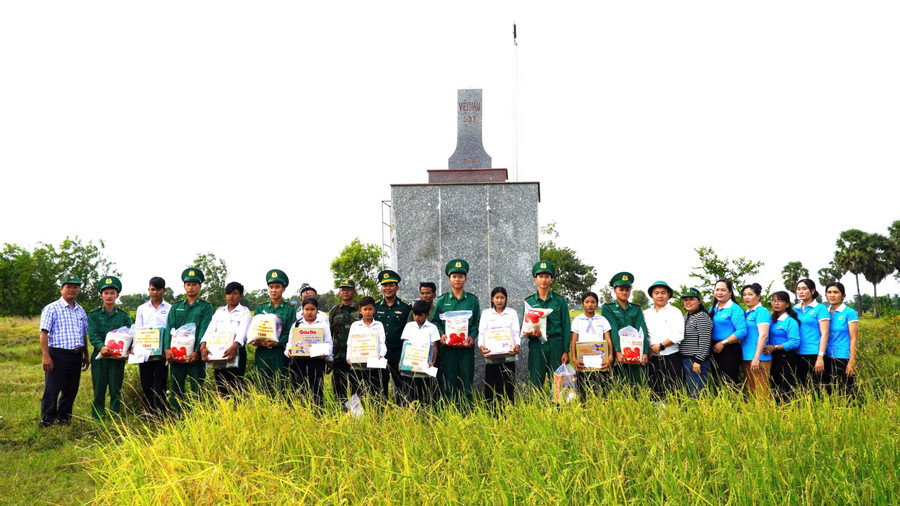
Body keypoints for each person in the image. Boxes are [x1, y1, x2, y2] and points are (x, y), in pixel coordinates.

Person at [39, 274, 90, 427]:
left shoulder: (81, 311)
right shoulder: (51, 308)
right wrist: (46, 356)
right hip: (57, 354)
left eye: (75, 287)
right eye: (68, 286)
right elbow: (43, 333)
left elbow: (83, 335)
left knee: (71, 389)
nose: (72, 290)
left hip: (76, 354)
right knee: (52, 390)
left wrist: (86, 355)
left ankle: (64, 419)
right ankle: (47, 420)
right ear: (61, 289)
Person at [431, 259, 481, 407]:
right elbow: (435, 322)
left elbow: (477, 322)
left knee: (466, 381)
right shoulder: (442, 301)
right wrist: (441, 334)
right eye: (454, 276)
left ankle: (467, 413)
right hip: (448, 349)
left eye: (460, 276)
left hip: (466, 348)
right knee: (450, 382)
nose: (457, 279)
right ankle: (451, 414)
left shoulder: (472, 300)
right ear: (449, 279)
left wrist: (472, 337)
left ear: (465, 279)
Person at [164, 268, 213, 416]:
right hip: (177, 356)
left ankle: (195, 417)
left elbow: (205, 330)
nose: (191, 287)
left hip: (195, 357)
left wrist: (197, 351)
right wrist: (167, 349)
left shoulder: (205, 307)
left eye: (194, 284)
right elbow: (169, 328)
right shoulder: (176, 307)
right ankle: (177, 417)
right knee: (176, 387)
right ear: (184, 286)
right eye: (188, 284)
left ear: (200, 287)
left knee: (197, 388)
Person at [87, 276, 132, 419]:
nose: (109, 296)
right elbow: (92, 334)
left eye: (112, 293)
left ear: (117, 295)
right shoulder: (94, 315)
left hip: (117, 358)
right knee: (99, 388)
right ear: (101, 295)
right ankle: (97, 416)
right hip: (99, 357)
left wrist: (128, 349)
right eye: (106, 293)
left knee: (115, 388)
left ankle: (115, 416)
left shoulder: (124, 316)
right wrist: (101, 347)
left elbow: (130, 335)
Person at [523, 260, 571, 389]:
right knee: (535, 379)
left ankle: (557, 409)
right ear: (535, 279)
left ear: (551, 280)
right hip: (536, 344)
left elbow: (566, 327)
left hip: (556, 344)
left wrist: (566, 350)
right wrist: (530, 333)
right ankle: (537, 407)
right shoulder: (529, 301)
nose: (543, 279)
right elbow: (525, 325)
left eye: (547, 277)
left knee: (557, 382)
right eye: (540, 276)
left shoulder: (559, 301)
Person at [200, 281, 250, 397]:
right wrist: (203, 346)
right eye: (228, 293)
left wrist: (234, 346)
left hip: (236, 351)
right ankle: (224, 412)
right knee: (221, 384)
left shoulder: (244, 312)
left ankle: (237, 412)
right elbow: (210, 330)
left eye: (235, 293)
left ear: (241, 296)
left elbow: (242, 332)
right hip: (218, 353)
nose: (231, 296)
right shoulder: (219, 312)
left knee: (236, 385)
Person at [601, 272, 649, 387]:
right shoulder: (608, 307)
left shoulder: (636, 308)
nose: (624, 292)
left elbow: (641, 329)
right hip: (618, 353)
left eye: (627, 290)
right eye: (621, 289)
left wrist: (645, 352)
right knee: (618, 383)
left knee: (637, 383)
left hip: (635, 352)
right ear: (615, 290)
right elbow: (612, 329)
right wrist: (617, 351)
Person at [253, 269, 296, 395]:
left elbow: (290, 332)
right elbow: (255, 328)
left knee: (280, 385)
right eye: (271, 287)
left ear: (283, 289)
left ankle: (280, 411)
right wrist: (255, 340)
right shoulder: (261, 307)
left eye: (277, 287)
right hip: (262, 351)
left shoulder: (289, 309)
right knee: (261, 384)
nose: (274, 290)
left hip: (279, 352)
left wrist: (277, 343)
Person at [134, 276, 171, 417]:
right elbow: (138, 328)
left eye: (158, 289)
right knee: (146, 382)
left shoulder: (169, 308)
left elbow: (170, 329)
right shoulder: (142, 308)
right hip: (145, 352)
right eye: (152, 289)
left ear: (164, 290)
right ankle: (148, 412)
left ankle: (161, 412)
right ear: (149, 289)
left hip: (162, 352)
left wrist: (166, 348)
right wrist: (136, 348)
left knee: (161, 383)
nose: (155, 292)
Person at [286, 297, 333, 406]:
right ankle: (299, 410)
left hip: (317, 361)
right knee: (298, 387)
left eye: (312, 309)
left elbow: (329, 343)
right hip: (299, 361)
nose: (309, 312)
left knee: (316, 387)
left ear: (317, 310)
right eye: (307, 309)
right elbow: (290, 343)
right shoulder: (297, 325)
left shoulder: (323, 325)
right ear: (302, 310)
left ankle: (317, 410)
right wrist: (289, 351)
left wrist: (326, 353)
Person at [478, 286, 520, 406]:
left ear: (506, 299)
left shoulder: (512, 313)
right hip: (492, 356)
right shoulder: (486, 313)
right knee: (491, 387)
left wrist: (517, 345)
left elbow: (516, 331)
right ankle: (491, 413)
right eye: (497, 298)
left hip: (508, 356)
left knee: (508, 386)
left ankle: (508, 412)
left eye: (502, 298)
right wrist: (481, 346)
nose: (499, 300)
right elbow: (482, 332)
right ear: (492, 299)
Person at [374, 270, 413, 401]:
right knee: (379, 387)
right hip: (380, 354)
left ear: (397, 287)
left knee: (403, 387)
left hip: (398, 352)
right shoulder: (375, 307)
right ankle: (380, 414)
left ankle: (403, 414)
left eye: (391, 285)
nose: (388, 288)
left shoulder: (406, 307)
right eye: (385, 285)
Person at [643, 281, 684, 398]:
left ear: (668, 295)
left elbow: (679, 334)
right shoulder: (646, 313)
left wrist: (661, 346)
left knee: (674, 389)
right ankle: (658, 415)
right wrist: (648, 349)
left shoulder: (675, 312)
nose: (660, 296)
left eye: (663, 293)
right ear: (652, 295)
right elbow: (644, 334)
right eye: (656, 293)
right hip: (653, 358)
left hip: (671, 357)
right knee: (655, 390)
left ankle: (674, 414)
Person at [571, 292, 613, 400]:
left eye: (593, 302)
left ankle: (602, 411)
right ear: (582, 304)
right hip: (583, 361)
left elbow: (608, 339)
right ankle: (585, 413)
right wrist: (574, 359)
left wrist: (610, 357)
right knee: (583, 390)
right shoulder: (577, 320)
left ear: (597, 304)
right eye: (587, 302)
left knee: (602, 390)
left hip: (600, 361)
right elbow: (574, 340)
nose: (590, 305)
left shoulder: (602, 320)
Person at [399, 300, 441, 406]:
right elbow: (405, 345)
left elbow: (434, 346)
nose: (417, 317)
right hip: (409, 366)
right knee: (410, 394)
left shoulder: (432, 328)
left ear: (427, 314)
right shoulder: (409, 326)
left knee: (425, 395)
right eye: (415, 315)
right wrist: (401, 361)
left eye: (420, 315)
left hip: (424, 367)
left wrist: (433, 362)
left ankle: (424, 417)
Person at [762, 291, 801, 401]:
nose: (776, 303)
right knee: (774, 387)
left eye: (780, 301)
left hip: (785, 357)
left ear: (787, 304)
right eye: (774, 300)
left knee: (785, 388)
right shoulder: (772, 320)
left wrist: (774, 347)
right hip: (771, 357)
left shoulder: (790, 321)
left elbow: (794, 342)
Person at [708, 279, 747, 388]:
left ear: (730, 292)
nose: (719, 293)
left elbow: (742, 331)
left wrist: (723, 343)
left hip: (729, 349)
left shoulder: (734, 308)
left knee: (728, 382)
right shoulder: (713, 308)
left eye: (723, 290)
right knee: (717, 382)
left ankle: (733, 405)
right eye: (717, 290)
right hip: (714, 348)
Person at [346, 296, 386, 400]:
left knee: (374, 390)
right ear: (360, 311)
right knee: (357, 389)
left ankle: (374, 412)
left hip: (374, 364)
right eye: (365, 309)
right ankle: (356, 414)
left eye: (370, 309)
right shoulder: (355, 325)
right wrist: (349, 357)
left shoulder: (379, 324)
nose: (367, 312)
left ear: (374, 310)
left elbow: (382, 342)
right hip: (358, 364)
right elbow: (350, 343)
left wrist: (381, 354)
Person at [794, 278, 830, 389]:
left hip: (814, 354)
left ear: (812, 291)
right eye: (798, 289)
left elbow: (825, 333)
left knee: (817, 388)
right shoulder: (795, 308)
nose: (801, 292)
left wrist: (820, 357)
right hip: (797, 353)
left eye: (804, 289)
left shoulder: (820, 308)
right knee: (801, 388)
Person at [329, 279, 361, 405]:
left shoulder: (361, 310)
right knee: (339, 388)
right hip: (339, 357)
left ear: (354, 292)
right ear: (339, 293)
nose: (345, 292)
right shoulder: (334, 311)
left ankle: (356, 414)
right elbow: (329, 334)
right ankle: (340, 413)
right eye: (343, 289)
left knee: (356, 386)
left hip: (357, 357)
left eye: (348, 289)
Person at [824, 282, 859, 396]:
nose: (832, 295)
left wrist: (851, 361)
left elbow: (854, 338)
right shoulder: (824, 312)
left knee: (846, 391)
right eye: (829, 292)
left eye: (836, 292)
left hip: (842, 357)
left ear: (843, 295)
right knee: (828, 390)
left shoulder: (849, 312)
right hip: (825, 356)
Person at [678, 288, 712, 398]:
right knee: (689, 392)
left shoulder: (702, 317)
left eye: (691, 299)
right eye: (685, 300)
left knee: (698, 393)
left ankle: (703, 413)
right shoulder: (685, 317)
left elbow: (705, 340)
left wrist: (698, 361)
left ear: (699, 301)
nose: (688, 302)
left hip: (696, 361)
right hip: (685, 359)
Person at [740, 283, 771, 399]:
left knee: (761, 392)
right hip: (746, 356)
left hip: (759, 358)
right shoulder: (747, 313)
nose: (747, 297)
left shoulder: (761, 312)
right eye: (744, 295)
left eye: (750, 294)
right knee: (750, 391)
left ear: (758, 296)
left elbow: (763, 335)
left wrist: (756, 357)